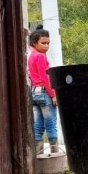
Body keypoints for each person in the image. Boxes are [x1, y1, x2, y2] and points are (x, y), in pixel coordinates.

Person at [27, 27, 59, 156]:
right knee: (51, 124)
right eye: (43, 43)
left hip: (35, 92)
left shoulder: (31, 55)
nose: (46, 46)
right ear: (35, 43)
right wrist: (53, 94)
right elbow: (45, 77)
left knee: (38, 126)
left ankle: (38, 156)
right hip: (45, 92)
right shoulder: (40, 56)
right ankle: (55, 155)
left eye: (48, 43)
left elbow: (31, 75)